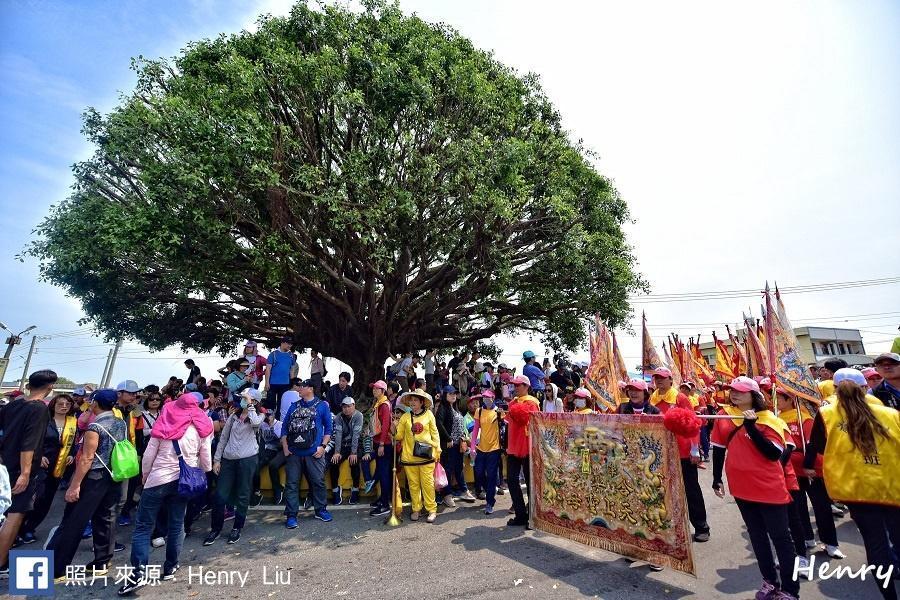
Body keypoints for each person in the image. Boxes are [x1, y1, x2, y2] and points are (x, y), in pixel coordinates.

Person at [804, 369, 900, 600]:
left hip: (855, 490)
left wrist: (808, 467)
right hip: (892, 486)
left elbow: (815, 445)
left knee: (876, 547)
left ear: (834, 390)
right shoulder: (890, 414)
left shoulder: (826, 414)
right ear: (865, 387)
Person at [710, 377, 798, 600]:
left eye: (740, 391)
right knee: (757, 537)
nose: (734, 394)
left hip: (769, 488)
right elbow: (719, 449)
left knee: (781, 538)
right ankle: (769, 581)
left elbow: (773, 454)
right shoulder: (724, 416)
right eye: (732, 390)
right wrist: (716, 478)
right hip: (741, 488)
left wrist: (751, 427)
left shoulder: (769, 420)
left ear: (754, 395)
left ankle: (790, 590)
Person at [118, 393, 213, 594]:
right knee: (176, 524)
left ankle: (138, 573)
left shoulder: (164, 422)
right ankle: (170, 567)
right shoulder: (201, 426)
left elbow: (149, 454)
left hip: (158, 479)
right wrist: (202, 472)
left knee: (144, 526)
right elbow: (206, 459)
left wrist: (145, 476)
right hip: (184, 483)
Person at [47, 388, 127, 580]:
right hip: (113, 475)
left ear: (95, 403)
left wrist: (75, 485)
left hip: (94, 478)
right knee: (106, 517)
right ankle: (102, 562)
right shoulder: (120, 422)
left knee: (74, 520)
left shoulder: (95, 427)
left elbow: (87, 459)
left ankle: (58, 568)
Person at [775, 388, 843, 560]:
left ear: (790, 400)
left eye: (778, 398)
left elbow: (811, 444)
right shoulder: (776, 419)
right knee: (798, 508)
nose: (774, 400)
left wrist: (809, 465)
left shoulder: (804, 419)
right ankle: (807, 538)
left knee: (821, 507)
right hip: (791, 471)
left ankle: (830, 543)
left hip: (811, 470)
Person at [0, 370, 57, 572]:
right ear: (50, 387)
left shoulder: (14, 405)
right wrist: (25, 473)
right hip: (20, 468)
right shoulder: (39, 409)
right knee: (15, 514)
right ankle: (1, 562)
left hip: (4, 464)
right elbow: (28, 443)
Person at [650, 368, 709, 542]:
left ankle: (701, 526)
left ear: (670, 380)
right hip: (660, 452)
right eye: (656, 378)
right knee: (664, 492)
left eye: (662, 378)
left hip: (683, 451)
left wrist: (694, 449)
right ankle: (672, 529)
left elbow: (692, 422)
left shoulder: (679, 398)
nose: (659, 381)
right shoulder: (652, 399)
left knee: (691, 490)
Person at [204, 388, 263, 546]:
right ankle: (215, 529)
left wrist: (250, 406)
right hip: (228, 460)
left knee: (243, 496)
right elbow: (223, 438)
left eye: (245, 398)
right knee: (220, 496)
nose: (241, 400)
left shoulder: (258, 415)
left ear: (254, 401)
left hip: (247, 460)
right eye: (242, 398)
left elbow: (256, 423)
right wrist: (217, 460)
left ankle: (237, 527)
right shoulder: (233, 416)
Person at [19, 394, 78, 545]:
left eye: (67, 404)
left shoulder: (72, 422)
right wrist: (38, 456)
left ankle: (30, 529)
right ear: (53, 405)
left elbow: (73, 444)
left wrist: (71, 455)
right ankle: (18, 528)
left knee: (46, 500)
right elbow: (33, 440)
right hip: (40, 465)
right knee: (35, 498)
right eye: (60, 404)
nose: (64, 406)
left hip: (59, 467)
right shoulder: (44, 420)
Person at [281, 379, 333, 528]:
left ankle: (320, 510)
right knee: (291, 484)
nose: (299, 389)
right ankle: (291, 515)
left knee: (318, 482)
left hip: (314, 452)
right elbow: (284, 428)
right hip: (294, 452)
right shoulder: (294, 406)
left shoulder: (322, 406)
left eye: (302, 387)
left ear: (310, 389)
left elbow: (328, 429)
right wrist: (285, 446)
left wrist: (323, 446)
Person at [391, 390, 440, 523]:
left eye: (416, 400)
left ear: (422, 402)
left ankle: (431, 509)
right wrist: (394, 427)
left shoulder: (429, 414)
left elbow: (435, 434)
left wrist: (438, 450)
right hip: (409, 458)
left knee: (428, 484)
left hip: (426, 456)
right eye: (411, 400)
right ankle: (416, 508)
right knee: (413, 485)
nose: (413, 402)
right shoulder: (405, 417)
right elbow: (399, 437)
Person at [506, 375, 540, 527]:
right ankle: (520, 514)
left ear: (526, 386)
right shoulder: (513, 402)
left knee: (530, 482)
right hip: (513, 446)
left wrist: (513, 409)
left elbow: (524, 419)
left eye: (519, 385)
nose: (516, 387)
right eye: (515, 384)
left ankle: (533, 517)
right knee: (512, 480)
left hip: (528, 446)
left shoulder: (532, 402)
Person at [435, 386, 475, 507]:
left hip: (458, 444)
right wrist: (448, 438)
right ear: (445, 395)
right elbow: (439, 423)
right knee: (448, 469)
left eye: (455, 394)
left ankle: (463, 490)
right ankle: (447, 495)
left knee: (458, 468)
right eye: (450, 394)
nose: (453, 395)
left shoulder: (455, 408)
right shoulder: (443, 408)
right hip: (449, 445)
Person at [470, 390, 502, 514]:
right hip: (481, 448)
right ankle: (490, 488)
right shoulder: (479, 411)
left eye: (488, 397)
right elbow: (475, 429)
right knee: (478, 472)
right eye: (484, 397)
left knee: (492, 475)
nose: (485, 399)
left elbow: (505, 425)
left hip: (494, 448)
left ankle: (490, 502)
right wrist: (473, 447)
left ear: (493, 398)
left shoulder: (498, 411)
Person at [328, 397, 363, 506]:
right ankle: (335, 490)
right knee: (333, 462)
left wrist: (353, 453)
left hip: (356, 445)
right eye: (344, 407)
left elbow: (356, 436)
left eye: (349, 406)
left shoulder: (358, 416)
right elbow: (338, 435)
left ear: (354, 406)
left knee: (354, 461)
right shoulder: (338, 417)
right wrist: (337, 452)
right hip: (343, 446)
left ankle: (355, 490)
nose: (346, 409)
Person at [369, 380, 394, 517]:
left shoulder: (384, 405)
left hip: (383, 443)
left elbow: (385, 426)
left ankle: (385, 504)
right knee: (381, 471)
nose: (374, 390)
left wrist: (382, 444)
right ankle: (383, 498)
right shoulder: (378, 403)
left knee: (384, 474)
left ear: (383, 391)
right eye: (373, 388)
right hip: (378, 441)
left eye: (377, 389)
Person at [264, 337, 297, 415]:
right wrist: (266, 383)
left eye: (291, 344)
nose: (290, 345)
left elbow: (292, 370)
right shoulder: (273, 354)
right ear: (282, 343)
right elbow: (268, 369)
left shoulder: (291, 356)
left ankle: (279, 423)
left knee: (282, 405)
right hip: (272, 383)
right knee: (270, 404)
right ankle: (268, 422)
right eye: (288, 343)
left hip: (285, 384)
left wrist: (292, 383)